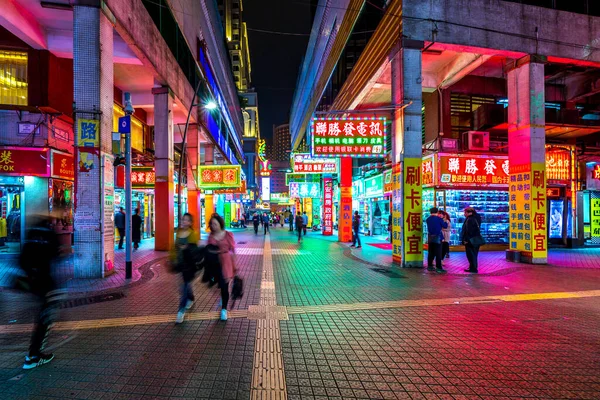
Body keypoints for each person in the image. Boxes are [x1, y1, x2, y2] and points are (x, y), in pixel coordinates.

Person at [19, 214, 64, 369]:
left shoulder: (31, 235)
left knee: (42, 315)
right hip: (45, 281)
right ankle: (33, 356)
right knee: (44, 318)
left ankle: (33, 354)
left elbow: (21, 259)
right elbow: (56, 255)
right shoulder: (49, 235)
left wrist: (30, 273)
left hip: (33, 281)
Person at [208, 214, 237, 321]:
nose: (214, 226)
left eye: (215, 224)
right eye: (212, 224)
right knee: (218, 284)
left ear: (220, 223)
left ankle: (224, 309)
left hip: (226, 263)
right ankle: (222, 297)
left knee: (225, 287)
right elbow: (208, 249)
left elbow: (233, 250)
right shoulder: (211, 236)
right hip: (214, 264)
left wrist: (235, 265)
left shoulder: (228, 235)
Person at [175, 213, 199, 324]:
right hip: (181, 263)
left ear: (190, 222)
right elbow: (175, 247)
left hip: (189, 265)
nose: (184, 222)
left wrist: (186, 248)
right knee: (186, 284)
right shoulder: (179, 233)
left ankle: (181, 310)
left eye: (186, 220)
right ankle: (191, 298)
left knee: (183, 287)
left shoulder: (192, 234)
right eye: (183, 219)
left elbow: (195, 251)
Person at [426, 207, 448, 273]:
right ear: (437, 212)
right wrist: (445, 220)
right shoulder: (439, 219)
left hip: (430, 237)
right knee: (438, 253)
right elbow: (445, 226)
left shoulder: (428, 219)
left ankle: (430, 266)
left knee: (431, 252)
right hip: (438, 237)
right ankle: (439, 267)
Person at [461, 207, 483, 273]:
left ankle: (473, 268)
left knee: (471, 254)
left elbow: (468, 231)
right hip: (475, 239)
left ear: (470, 212)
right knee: (474, 254)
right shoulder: (477, 218)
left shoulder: (470, 219)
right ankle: (473, 267)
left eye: (465, 212)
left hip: (470, 240)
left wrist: (466, 240)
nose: (464, 214)